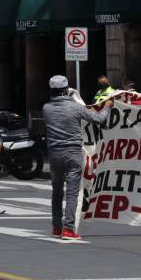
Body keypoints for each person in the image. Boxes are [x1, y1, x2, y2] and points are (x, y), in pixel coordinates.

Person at [42, 75, 109, 240]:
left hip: (54, 154)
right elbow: (99, 119)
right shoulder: (75, 108)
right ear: (65, 90)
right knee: (72, 192)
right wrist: (107, 106)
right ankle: (68, 229)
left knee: (57, 192)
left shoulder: (46, 108)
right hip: (72, 153)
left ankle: (56, 228)